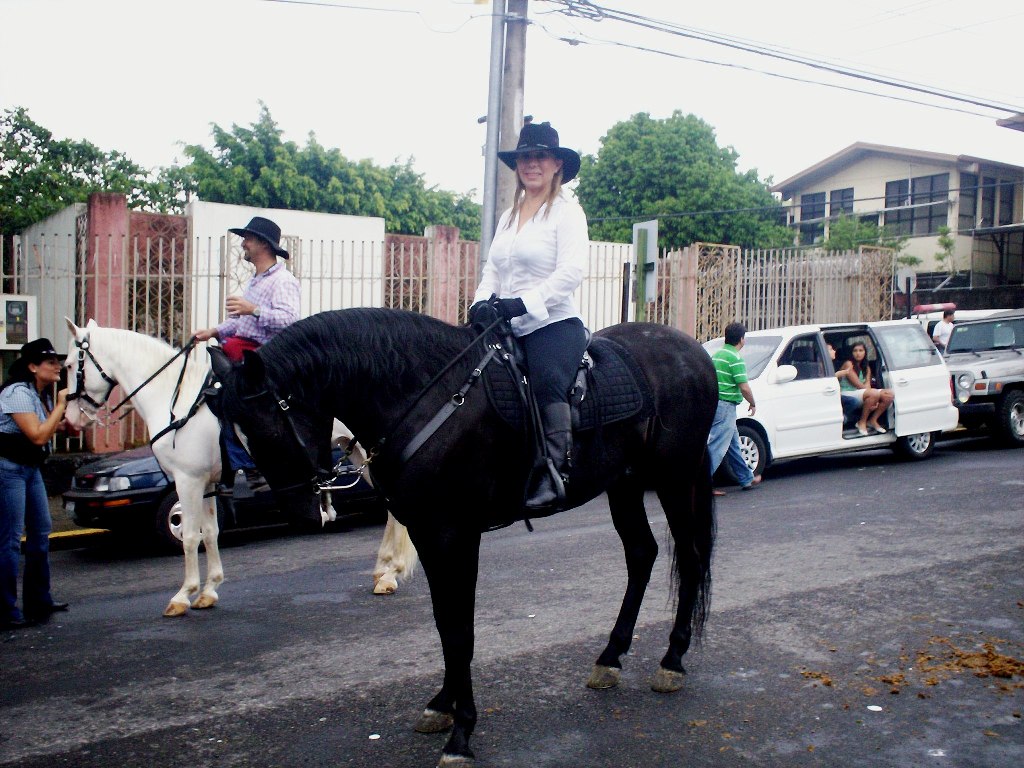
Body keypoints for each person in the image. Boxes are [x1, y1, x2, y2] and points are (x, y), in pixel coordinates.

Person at [468, 121, 589, 511]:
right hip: (506, 322)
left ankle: (555, 470)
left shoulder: (567, 213)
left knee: (546, 382)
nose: (531, 164)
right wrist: (481, 303)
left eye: (539, 157)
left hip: (552, 323)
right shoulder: (508, 216)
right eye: (525, 157)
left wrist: (523, 304)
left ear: (557, 164)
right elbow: (493, 269)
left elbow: (571, 272)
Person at [194, 216, 300, 498]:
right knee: (216, 397)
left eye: (248, 239)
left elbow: (290, 321)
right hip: (244, 350)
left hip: (265, 358)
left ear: (263, 244)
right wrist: (212, 330)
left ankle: (250, 465)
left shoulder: (283, 280)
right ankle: (231, 464)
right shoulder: (256, 281)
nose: (244, 243)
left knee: (232, 400)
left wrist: (253, 309)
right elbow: (238, 323)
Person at [0, 338, 70, 628]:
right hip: (9, 470)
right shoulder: (16, 392)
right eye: (50, 362)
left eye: (57, 361)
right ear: (31, 366)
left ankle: (38, 598)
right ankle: (5, 609)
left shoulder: (39, 394)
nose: (57, 367)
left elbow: (52, 427)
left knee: (41, 532)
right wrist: (62, 405)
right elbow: (39, 435)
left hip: (30, 469)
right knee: (10, 540)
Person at [707, 322, 761, 495]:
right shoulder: (735, 358)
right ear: (741, 339)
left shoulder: (716, 356)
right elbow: (744, 387)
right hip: (726, 406)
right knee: (717, 446)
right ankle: (702, 484)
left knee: (733, 445)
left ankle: (746, 478)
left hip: (716, 403)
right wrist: (752, 403)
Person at [837, 341, 894, 436]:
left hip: (861, 392)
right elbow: (859, 385)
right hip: (847, 392)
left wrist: (874, 398)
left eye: (861, 350)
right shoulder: (848, 364)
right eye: (855, 351)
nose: (858, 353)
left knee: (889, 394)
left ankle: (872, 420)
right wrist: (874, 396)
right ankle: (861, 422)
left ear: (865, 352)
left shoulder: (866, 367)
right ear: (851, 353)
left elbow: (868, 385)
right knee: (874, 393)